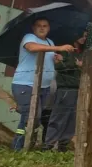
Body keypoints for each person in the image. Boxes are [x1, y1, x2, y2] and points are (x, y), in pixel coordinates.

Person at [11, 18, 73, 151]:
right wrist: (59, 48)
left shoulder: (50, 42)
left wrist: (57, 58)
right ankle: (18, 148)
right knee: (32, 116)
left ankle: (24, 147)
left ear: (48, 28)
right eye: (39, 26)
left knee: (33, 118)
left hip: (44, 87)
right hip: (25, 84)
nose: (42, 28)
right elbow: (32, 48)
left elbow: (48, 60)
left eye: (45, 26)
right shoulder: (29, 37)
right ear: (34, 28)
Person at [45, 28, 92, 151]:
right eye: (81, 35)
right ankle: (49, 144)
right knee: (59, 116)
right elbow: (59, 67)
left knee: (72, 119)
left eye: (85, 36)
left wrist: (81, 66)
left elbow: (88, 70)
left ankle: (63, 144)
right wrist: (75, 65)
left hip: (78, 89)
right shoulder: (64, 50)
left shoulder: (82, 53)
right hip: (65, 89)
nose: (83, 38)